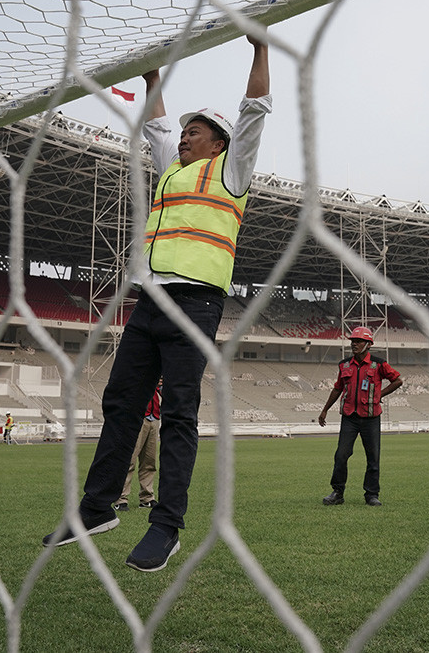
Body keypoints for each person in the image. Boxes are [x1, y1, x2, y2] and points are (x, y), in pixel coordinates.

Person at [43, 34, 272, 573]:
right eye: (186, 132)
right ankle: (96, 508)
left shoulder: (232, 170)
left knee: (178, 415)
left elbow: (256, 111)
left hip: (196, 305)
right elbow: (157, 127)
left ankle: (165, 525)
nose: (185, 138)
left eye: (196, 132)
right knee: (121, 405)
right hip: (150, 302)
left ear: (219, 142)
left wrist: (259, 52)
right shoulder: (173, 169)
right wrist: (151, 82)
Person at [318, 327, 403, 507]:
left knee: (373, 457)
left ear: (369, 344)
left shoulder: (379, 364)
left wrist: (380, 395)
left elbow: (397, 380)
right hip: (349, 417)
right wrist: (325, 409)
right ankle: (337, 492)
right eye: (352, 341)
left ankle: (371, 494)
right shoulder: (344, 365)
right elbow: (337, 388)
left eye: (358, 341)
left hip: (371, 417)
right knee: (341, 455)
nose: (354, 344)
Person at [114, 380, 161, 512]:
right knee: (129, 461)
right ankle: (121, 499)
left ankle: (147, 498)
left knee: (149, 462)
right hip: (137, 417)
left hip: (154, 418)